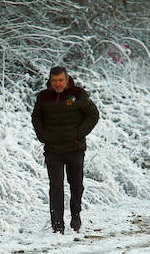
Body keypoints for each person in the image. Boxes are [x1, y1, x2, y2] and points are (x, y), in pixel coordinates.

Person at [31, 66, 100, 234]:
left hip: (74, 148)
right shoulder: (43, 97)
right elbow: (36, 117)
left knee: (76, 185)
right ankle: (57, 225)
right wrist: (43, 136)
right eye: (54, 81)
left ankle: (76, 215)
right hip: (53, 149)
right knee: (56, 186)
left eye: (61, 80)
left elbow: (93, 115)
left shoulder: (78, 95)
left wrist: (78, 134)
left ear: (67, 79)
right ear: (50, 81)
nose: (58, 84)